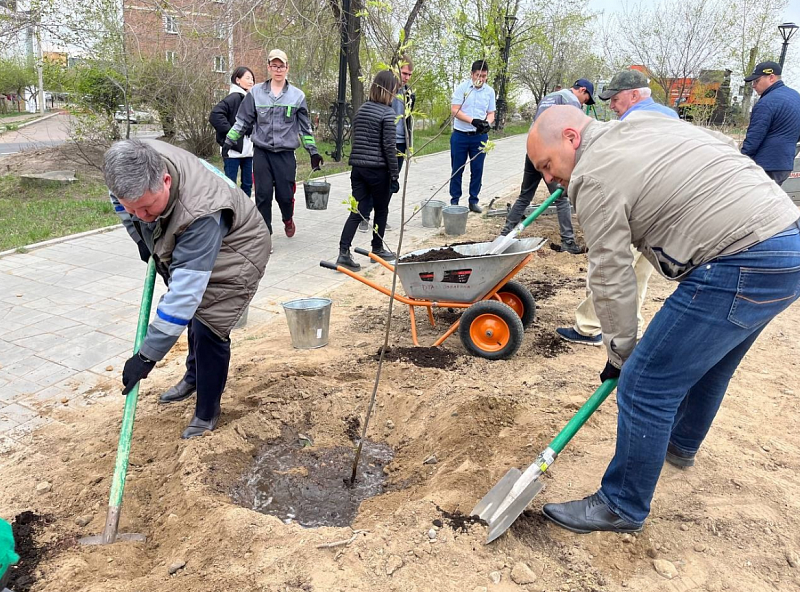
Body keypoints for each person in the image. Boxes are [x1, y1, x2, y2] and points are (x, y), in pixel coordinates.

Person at [526, 106, 799, 534]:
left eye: (547, 164)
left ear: (571, 138)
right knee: (708, 364)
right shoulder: (642, 125)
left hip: (738, 257)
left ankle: (621, 503)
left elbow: (611, 274)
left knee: (644, 383)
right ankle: (679, 444)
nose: (548, 179)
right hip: (786, 243)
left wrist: (620, 354)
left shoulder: (592, 176)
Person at [104, 139, 270, 439]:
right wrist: (141, 237)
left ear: (165, 180)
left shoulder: (201, 213)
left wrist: (146, 357)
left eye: (147, 207)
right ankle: (193, 376)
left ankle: (206, 412)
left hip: (239, 247)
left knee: (209, 326)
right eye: (135, 209)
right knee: (193, 316)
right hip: (192, 233)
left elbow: (184, 295)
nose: (142, 215)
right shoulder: (127, 170)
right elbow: (121, 204)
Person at [556, 69, 678, 346]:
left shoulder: (633, 123)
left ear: (634, 95)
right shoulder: (670, 116)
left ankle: (590, 327)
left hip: (636, 208)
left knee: (608, 267)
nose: (611, 105)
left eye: (615, 99)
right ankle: (632, 327)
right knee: (640, 273)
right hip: (666, 211)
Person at [226, 49, 322, 239]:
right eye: (274, 66)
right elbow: (242, 121)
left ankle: (288, 218)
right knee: (263, 195)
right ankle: (265, 235)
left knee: (285, 196)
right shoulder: (255, 93)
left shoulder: (297, 96)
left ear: (287, 68)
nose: (278, 70)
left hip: (286, 154)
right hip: (262, 152)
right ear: (269, 67)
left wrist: (313, 152)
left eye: (282, 66)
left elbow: (305, 129)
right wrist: (229, 141)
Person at [500, 79, 596, 254]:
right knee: (561, 199)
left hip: (533, 152)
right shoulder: (571, 102)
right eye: (586, 99)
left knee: (525, 196)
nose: (584, 103)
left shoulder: (550, 97)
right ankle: (568, 242)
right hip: (550, 155)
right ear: (582, 90)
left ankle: (504, 235)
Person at [336, 71, 400, 272]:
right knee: (381, 210)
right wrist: (395, 174)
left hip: (358, 169)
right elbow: (389, 146)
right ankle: (377, 248)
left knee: (358, 211)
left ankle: (343, 252)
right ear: (389, 90)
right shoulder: (388, 113)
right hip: (378, 170)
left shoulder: (362, 109)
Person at [359, 56, 415, 233]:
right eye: (404, 73)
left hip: (399, 142)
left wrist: (408, 145)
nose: (406, 77)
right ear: (396, 70)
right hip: (382, 142)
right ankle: (364, 216)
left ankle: (380, 215)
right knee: (375, 181)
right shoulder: (385, 89)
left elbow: (408, 119)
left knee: (391, 182)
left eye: (409, 74)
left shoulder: (408, 93)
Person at [741, 61, 800, 186]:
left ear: (771, 77)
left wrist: (741, 160)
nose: (753, 85)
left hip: (764, 166)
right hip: (784, 165)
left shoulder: (766, 102)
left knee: (753, 203)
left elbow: (754, 138)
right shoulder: (796, 97)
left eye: (756, 81)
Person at [449, 60, 496, 214]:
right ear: (472, 74)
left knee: (477, 169)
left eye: (483, 76)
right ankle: (454, 200)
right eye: (478, 75)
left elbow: (491, 113)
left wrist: (487, 123)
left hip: (479, 137)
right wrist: (472, 121)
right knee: (457, 168)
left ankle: (473, 200)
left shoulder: (489, 92)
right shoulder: (463, 89)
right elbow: (455, 110)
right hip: (460, 135)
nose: (480, 79)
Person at [209, 66, 256, 196]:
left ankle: (246, 213)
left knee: (247, 184)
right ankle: (232, 214)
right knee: (231, 185)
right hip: (232, 151)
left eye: (252, 78)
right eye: (247, 78)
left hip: (248, 151)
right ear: (237, 80)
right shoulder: (234, 98)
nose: (251, 81)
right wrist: (232, 134)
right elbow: (215, 115)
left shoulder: (249, 99)